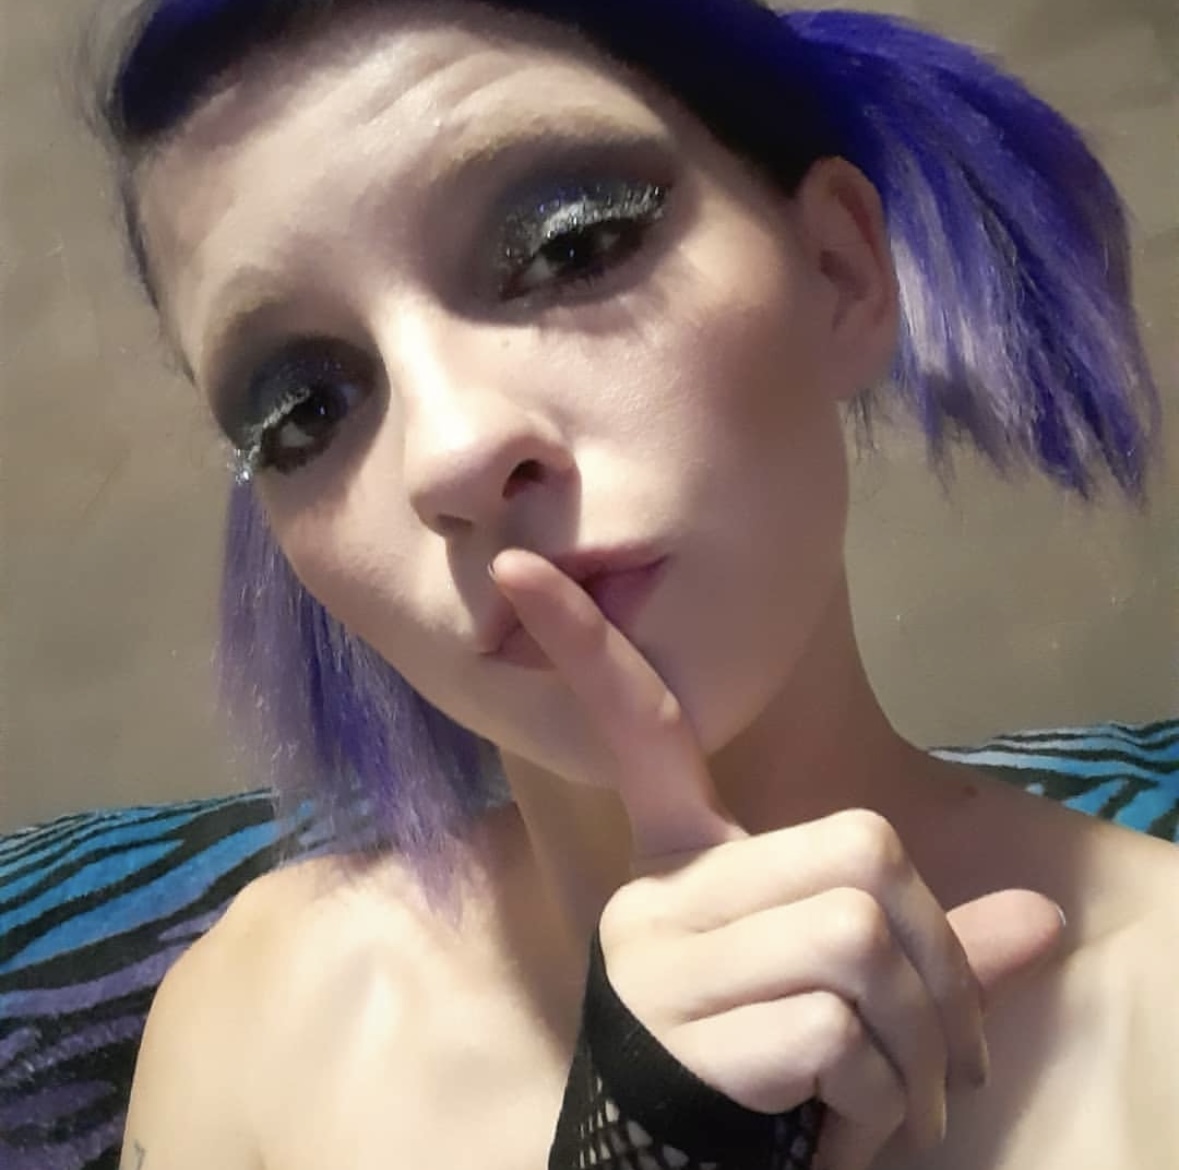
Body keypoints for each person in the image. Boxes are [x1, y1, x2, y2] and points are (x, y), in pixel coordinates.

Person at [77, 1, 1176, 1167]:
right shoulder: (261, 1024)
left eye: (571, 247)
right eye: (305, 408)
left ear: (838, 271)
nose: (450, 452)